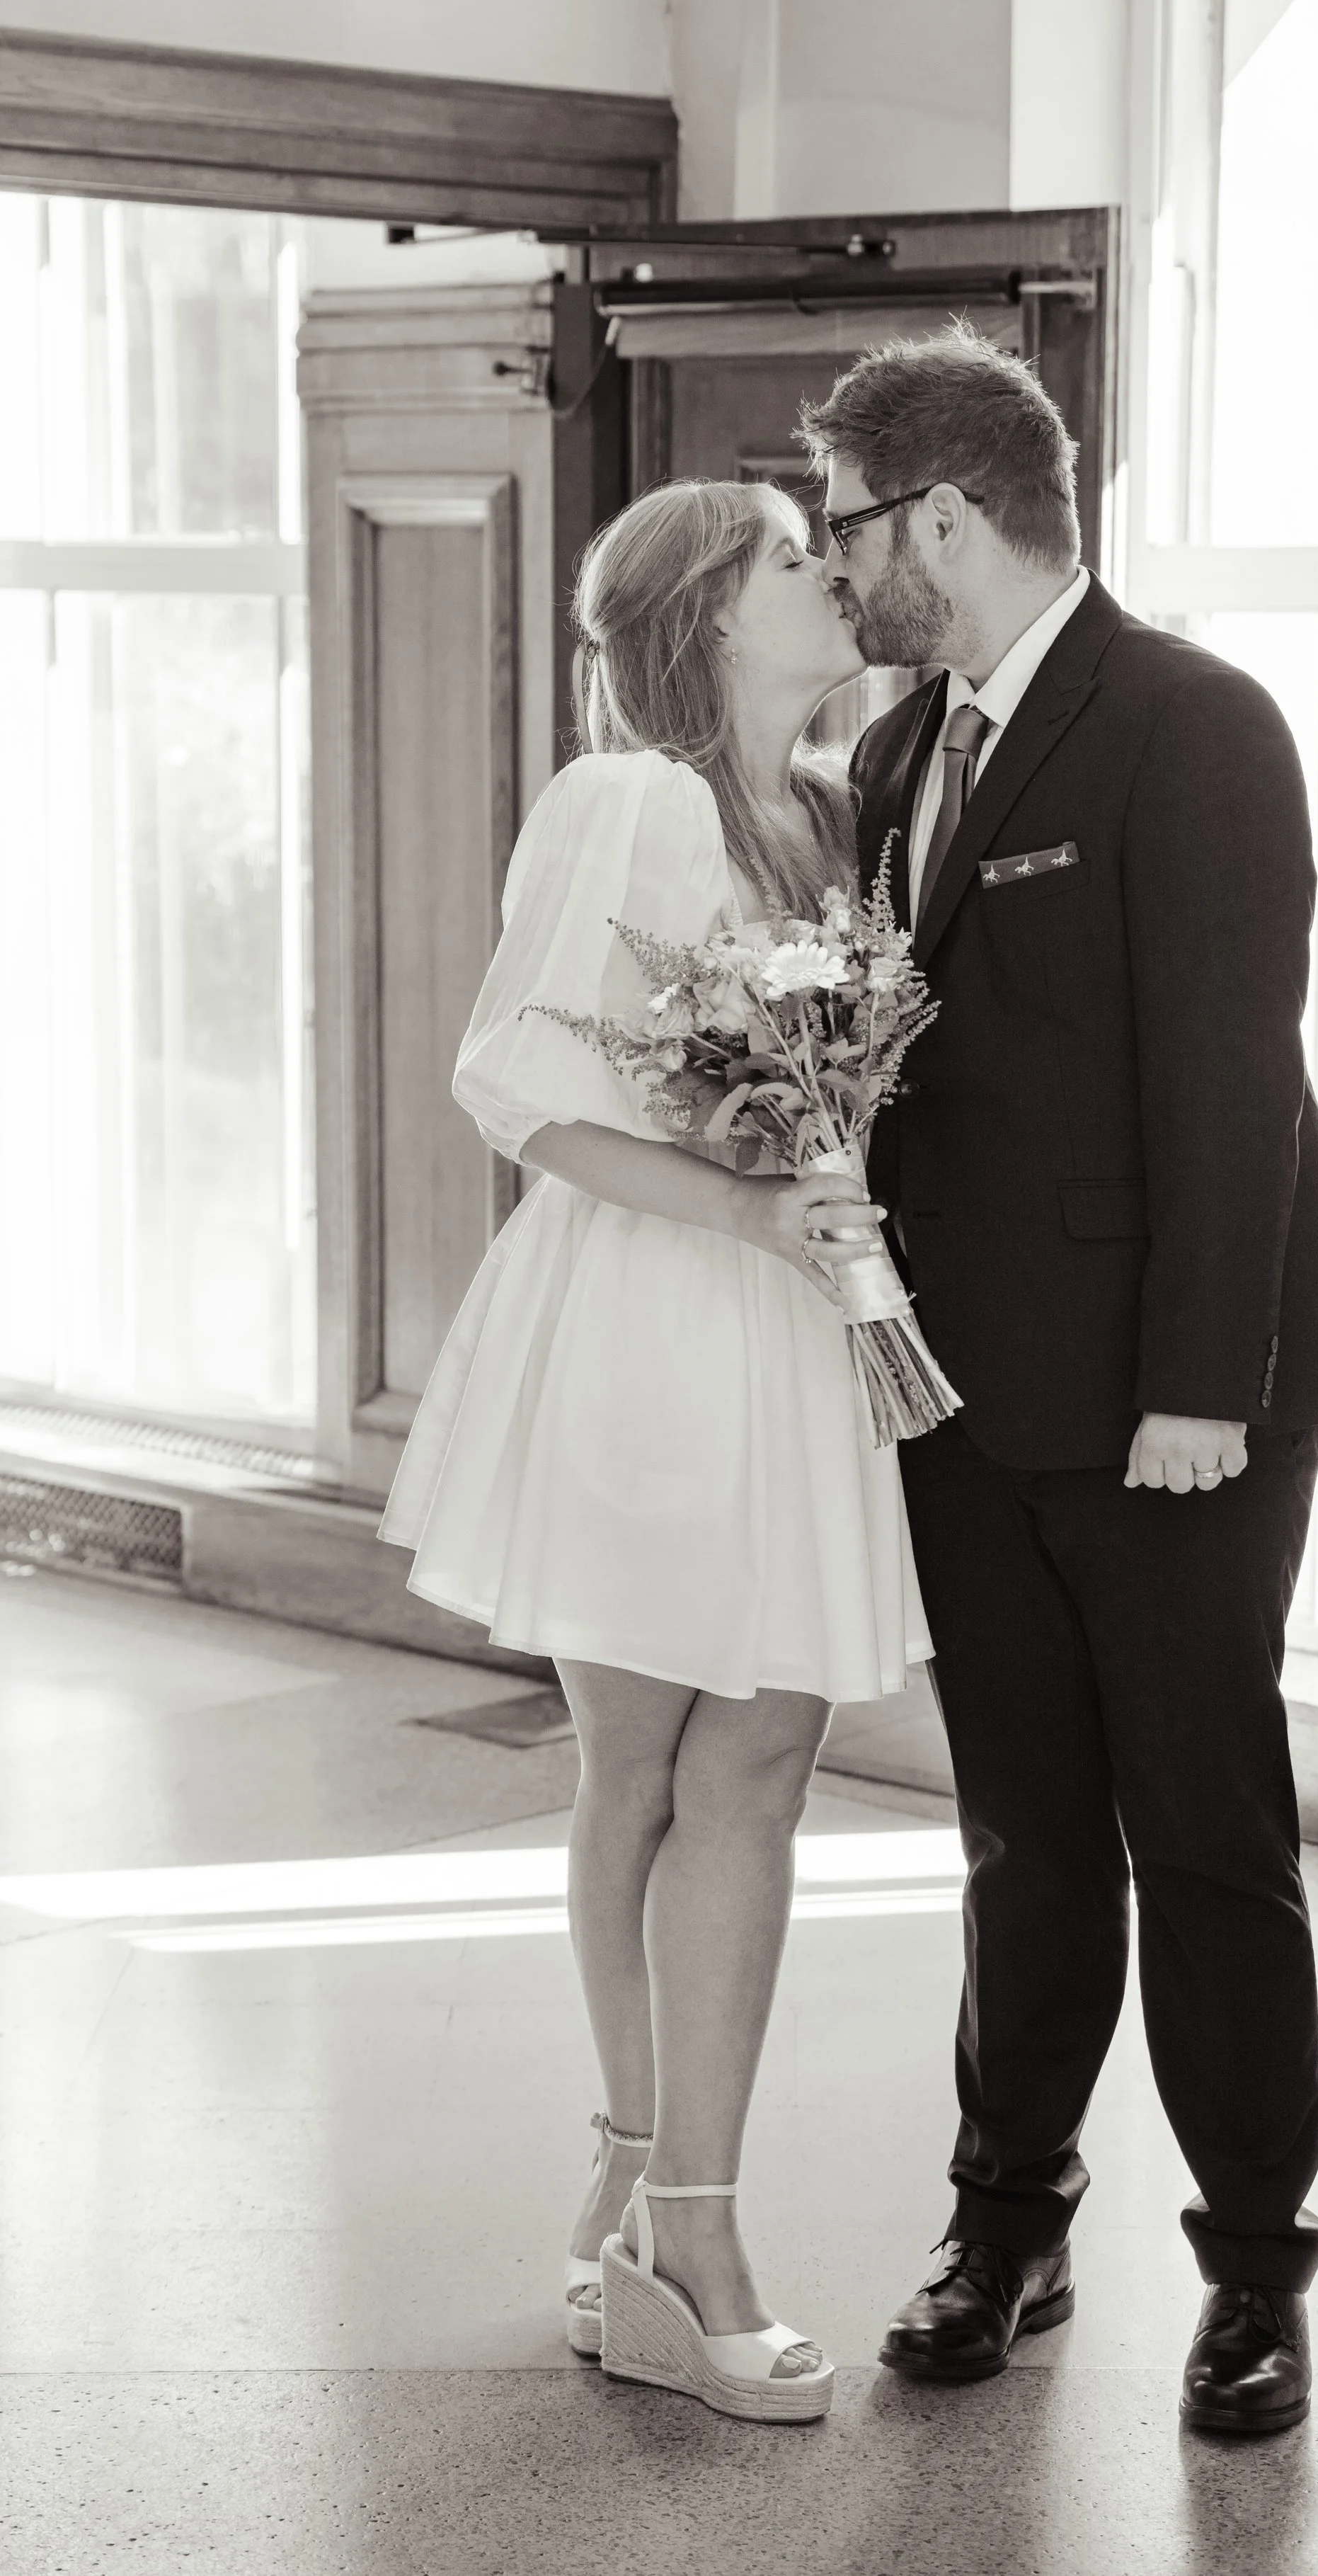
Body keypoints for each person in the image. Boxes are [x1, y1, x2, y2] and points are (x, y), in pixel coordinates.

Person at [800, 329, 1318, 2437]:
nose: (834, 565)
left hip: (1183, 1405)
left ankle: (1256, 2273)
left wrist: (1200, 1386)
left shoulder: (1190, 723)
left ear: (942, 519)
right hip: (966, 1401)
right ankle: (1006, 2223)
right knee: (1018, 1839)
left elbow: (1234, 1082)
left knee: (1205, 1832)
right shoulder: (899, 758)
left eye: (845, 526)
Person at [380, 479, 932, 2427]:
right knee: (657, 1754)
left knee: (754, 1746)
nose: (835, 574)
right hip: (656, 1314)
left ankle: (660, 2198)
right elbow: (509, 1079)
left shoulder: (836, 799)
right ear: (708, 611)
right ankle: (666, 2204)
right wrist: (752, 1211)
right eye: (798, 555)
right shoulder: (632, 798)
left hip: (782, 1317)